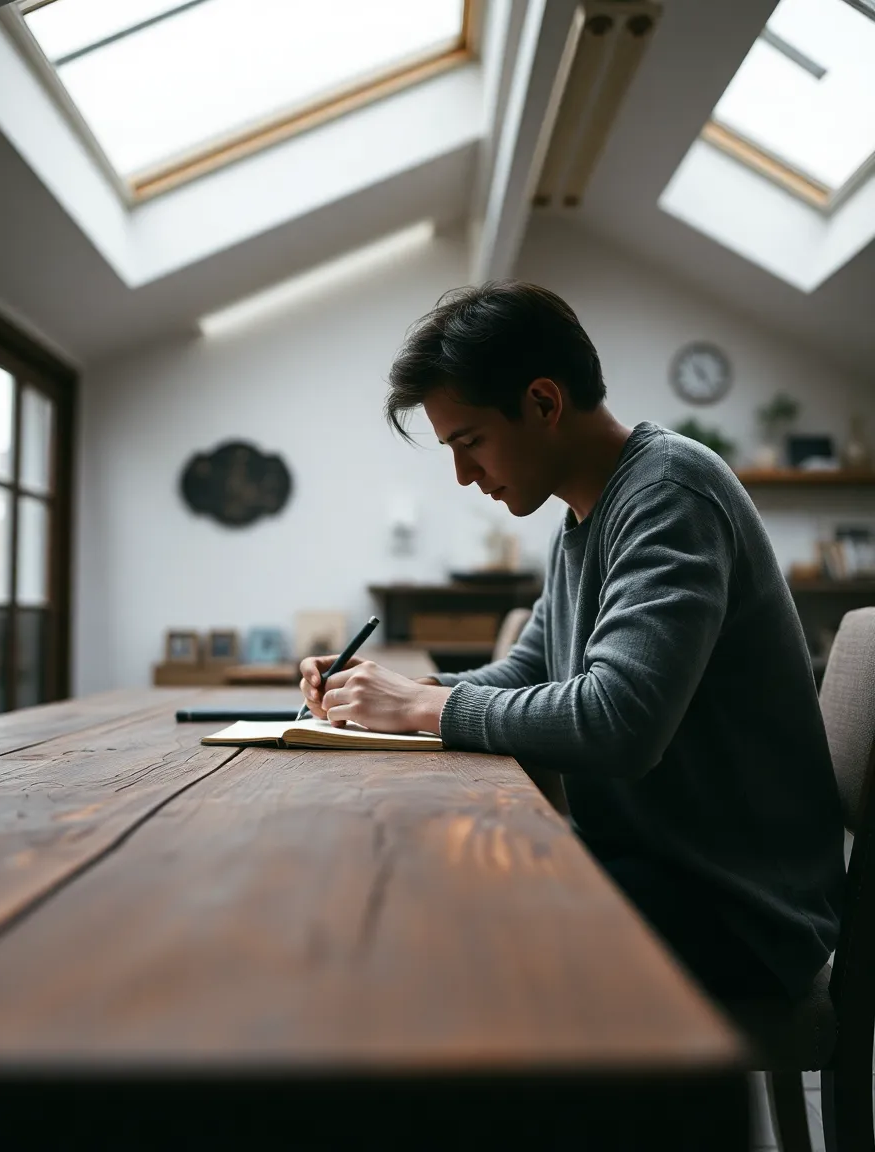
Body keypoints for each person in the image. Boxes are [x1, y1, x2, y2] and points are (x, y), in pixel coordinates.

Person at [299, 280, 845, 1006]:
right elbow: (532, 668)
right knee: (417, 889)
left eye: (470, 443)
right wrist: (402, 695)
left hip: (737, 912)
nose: (464, 476)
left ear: (544, 403)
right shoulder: (586, 516)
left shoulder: (671, 491)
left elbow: (619, 722)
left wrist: (421, 710)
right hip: (658, 871)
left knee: (421, 926)